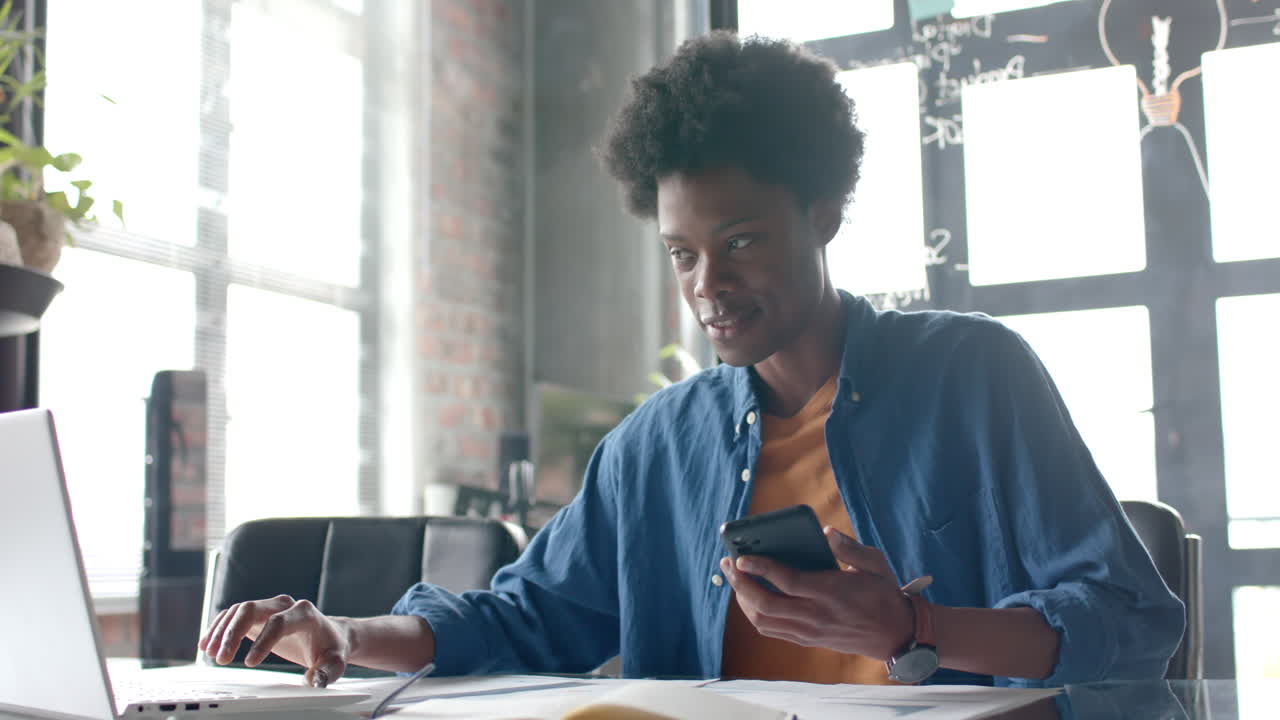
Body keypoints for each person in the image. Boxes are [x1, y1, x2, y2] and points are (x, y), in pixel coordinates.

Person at [198, 32, 1183, 689]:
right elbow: (518, 621)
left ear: (823, 215)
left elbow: (1133, 620)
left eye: (741, 240)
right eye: (681, 253)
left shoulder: (973, 378)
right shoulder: (655, 449)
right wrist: (344, 634)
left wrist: (912, 630)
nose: (708, 282)